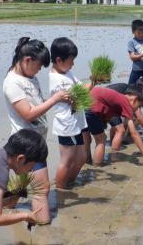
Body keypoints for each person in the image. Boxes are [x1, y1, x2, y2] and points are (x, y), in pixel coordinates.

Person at [3, 37, 69, 224]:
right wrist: (54, 99)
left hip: (36, 142)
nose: (40, 70)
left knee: (22, 186)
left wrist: (60, 98)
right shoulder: (12, 83)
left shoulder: (30, 77)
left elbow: (38, 104)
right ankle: (43, 225)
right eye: (39, 65)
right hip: (25, 146)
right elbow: (29, 114)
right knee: (42, 188)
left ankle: (4, 209)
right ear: (27, 60)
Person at [49, 37, 88, 189]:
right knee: (67, 161)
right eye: (71, 60)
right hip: (67, 125)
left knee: (82, 157)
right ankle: (60, 189)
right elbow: (76, 97)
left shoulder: (67, 72)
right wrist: (91, 84)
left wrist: (93, 81)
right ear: (59, 60)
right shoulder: (56, 79)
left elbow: (80, 88)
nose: (73, 63)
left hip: (76, 122)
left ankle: (68, 182)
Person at [84, 85, 143, 165]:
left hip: (83, 103)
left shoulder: (119, 97)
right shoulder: (125, 102)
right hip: (91, 107)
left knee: (86, 138)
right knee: (101, 139)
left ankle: (87, 163)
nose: (136, 109)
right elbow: (134, 133)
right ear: (135, 99)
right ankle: (96, 167)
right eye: (138, 106)